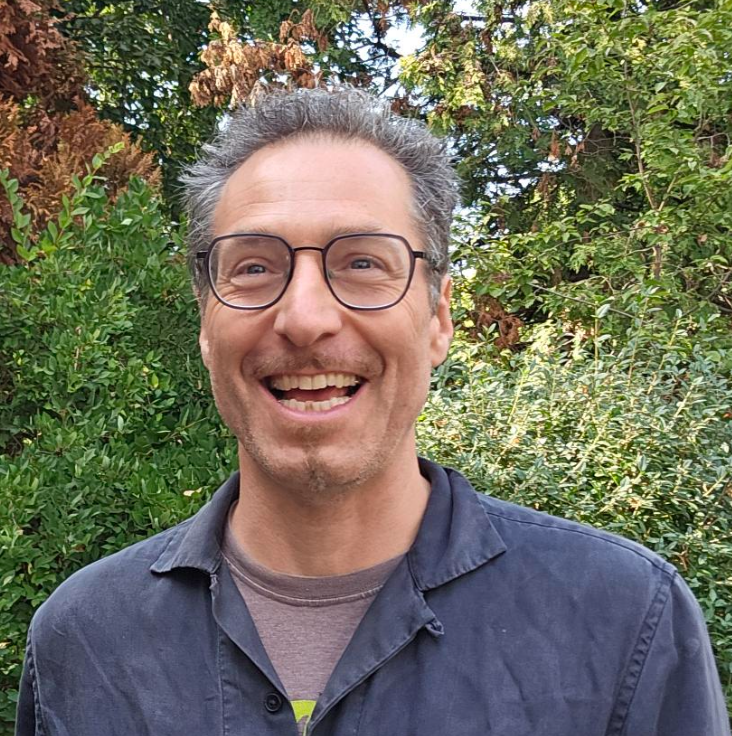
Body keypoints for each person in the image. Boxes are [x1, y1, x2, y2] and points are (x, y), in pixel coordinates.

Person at [16, 87, 730, 736]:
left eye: (362, 263)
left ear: (439, 318)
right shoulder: (83, 641)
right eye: (255, 267)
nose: (305, 318)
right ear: (206, 324)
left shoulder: (624, 621)